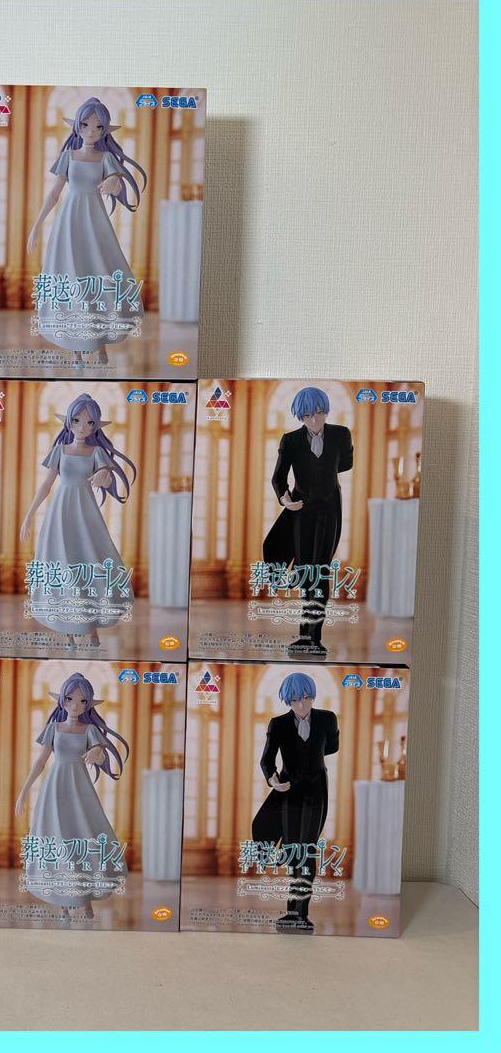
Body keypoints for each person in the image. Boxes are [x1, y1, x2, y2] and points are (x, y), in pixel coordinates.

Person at [26, 96, 146, 364]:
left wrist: (113, 182)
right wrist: (36, 226)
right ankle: (77, 349)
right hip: (69, 222)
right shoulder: (68, 157)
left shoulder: (106, 158)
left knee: (97, 274)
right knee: (72, 276)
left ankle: (100, 343)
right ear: (77, 126)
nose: (92, 131)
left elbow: (116, 181)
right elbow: (54, 194)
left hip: (95, 221)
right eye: (86, 125)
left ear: (105, 130)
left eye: (99, 127)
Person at [19, 392, 135, 648]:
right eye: (77, 420)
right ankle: (68, 632)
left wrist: (103, 476)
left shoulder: (96, 452)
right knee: (63, 564)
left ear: (96, 426)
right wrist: (29, 515)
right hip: (60, 512)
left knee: (89, 561)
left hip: (85, 512)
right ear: (69, 421)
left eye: (90, 422)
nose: (83, 426)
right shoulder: (59, 451)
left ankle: (92, 629)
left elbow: (106, 474)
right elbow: (46, 485)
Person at [14, 672, 129, 921]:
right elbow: (40, 762)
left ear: (88, 704)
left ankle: (85, 899)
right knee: (58, 838)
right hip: (55, 787)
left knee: (82, 835)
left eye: (82, 701)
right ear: (62, 700)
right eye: (70, 699)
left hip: (79, 787)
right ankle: (63, 904)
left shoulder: (90, 729)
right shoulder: (53, 728)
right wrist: (24, 790)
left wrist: (97, 752)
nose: (76, 705)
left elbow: (100, 752)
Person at [262, 385, 354, 657]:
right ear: (300, 416)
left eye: (319, 412)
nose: (314, 420)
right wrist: (285, 499)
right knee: (304, 571)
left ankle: (315, 638)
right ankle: (305, 636)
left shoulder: (341, 435)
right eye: (307, 415)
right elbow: (278, 478)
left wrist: (323, 476)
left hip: (330, 510)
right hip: (301, 510)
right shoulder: (290, 441)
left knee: (320, 570)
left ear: (326, 411)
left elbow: (346, 463)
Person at [251, 670, 339, 933]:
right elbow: (267, 759)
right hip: (289, 793)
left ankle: (302, 914)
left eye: (306, 697)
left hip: (316, 793)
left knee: (307, 850)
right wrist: (273, 779)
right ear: (287, 701)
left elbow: (332, 747)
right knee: (292, 850)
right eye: (295, 700)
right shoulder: (278, 724)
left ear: (312, 696)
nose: (301, 704)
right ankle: (292, 911)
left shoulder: (328, 719)